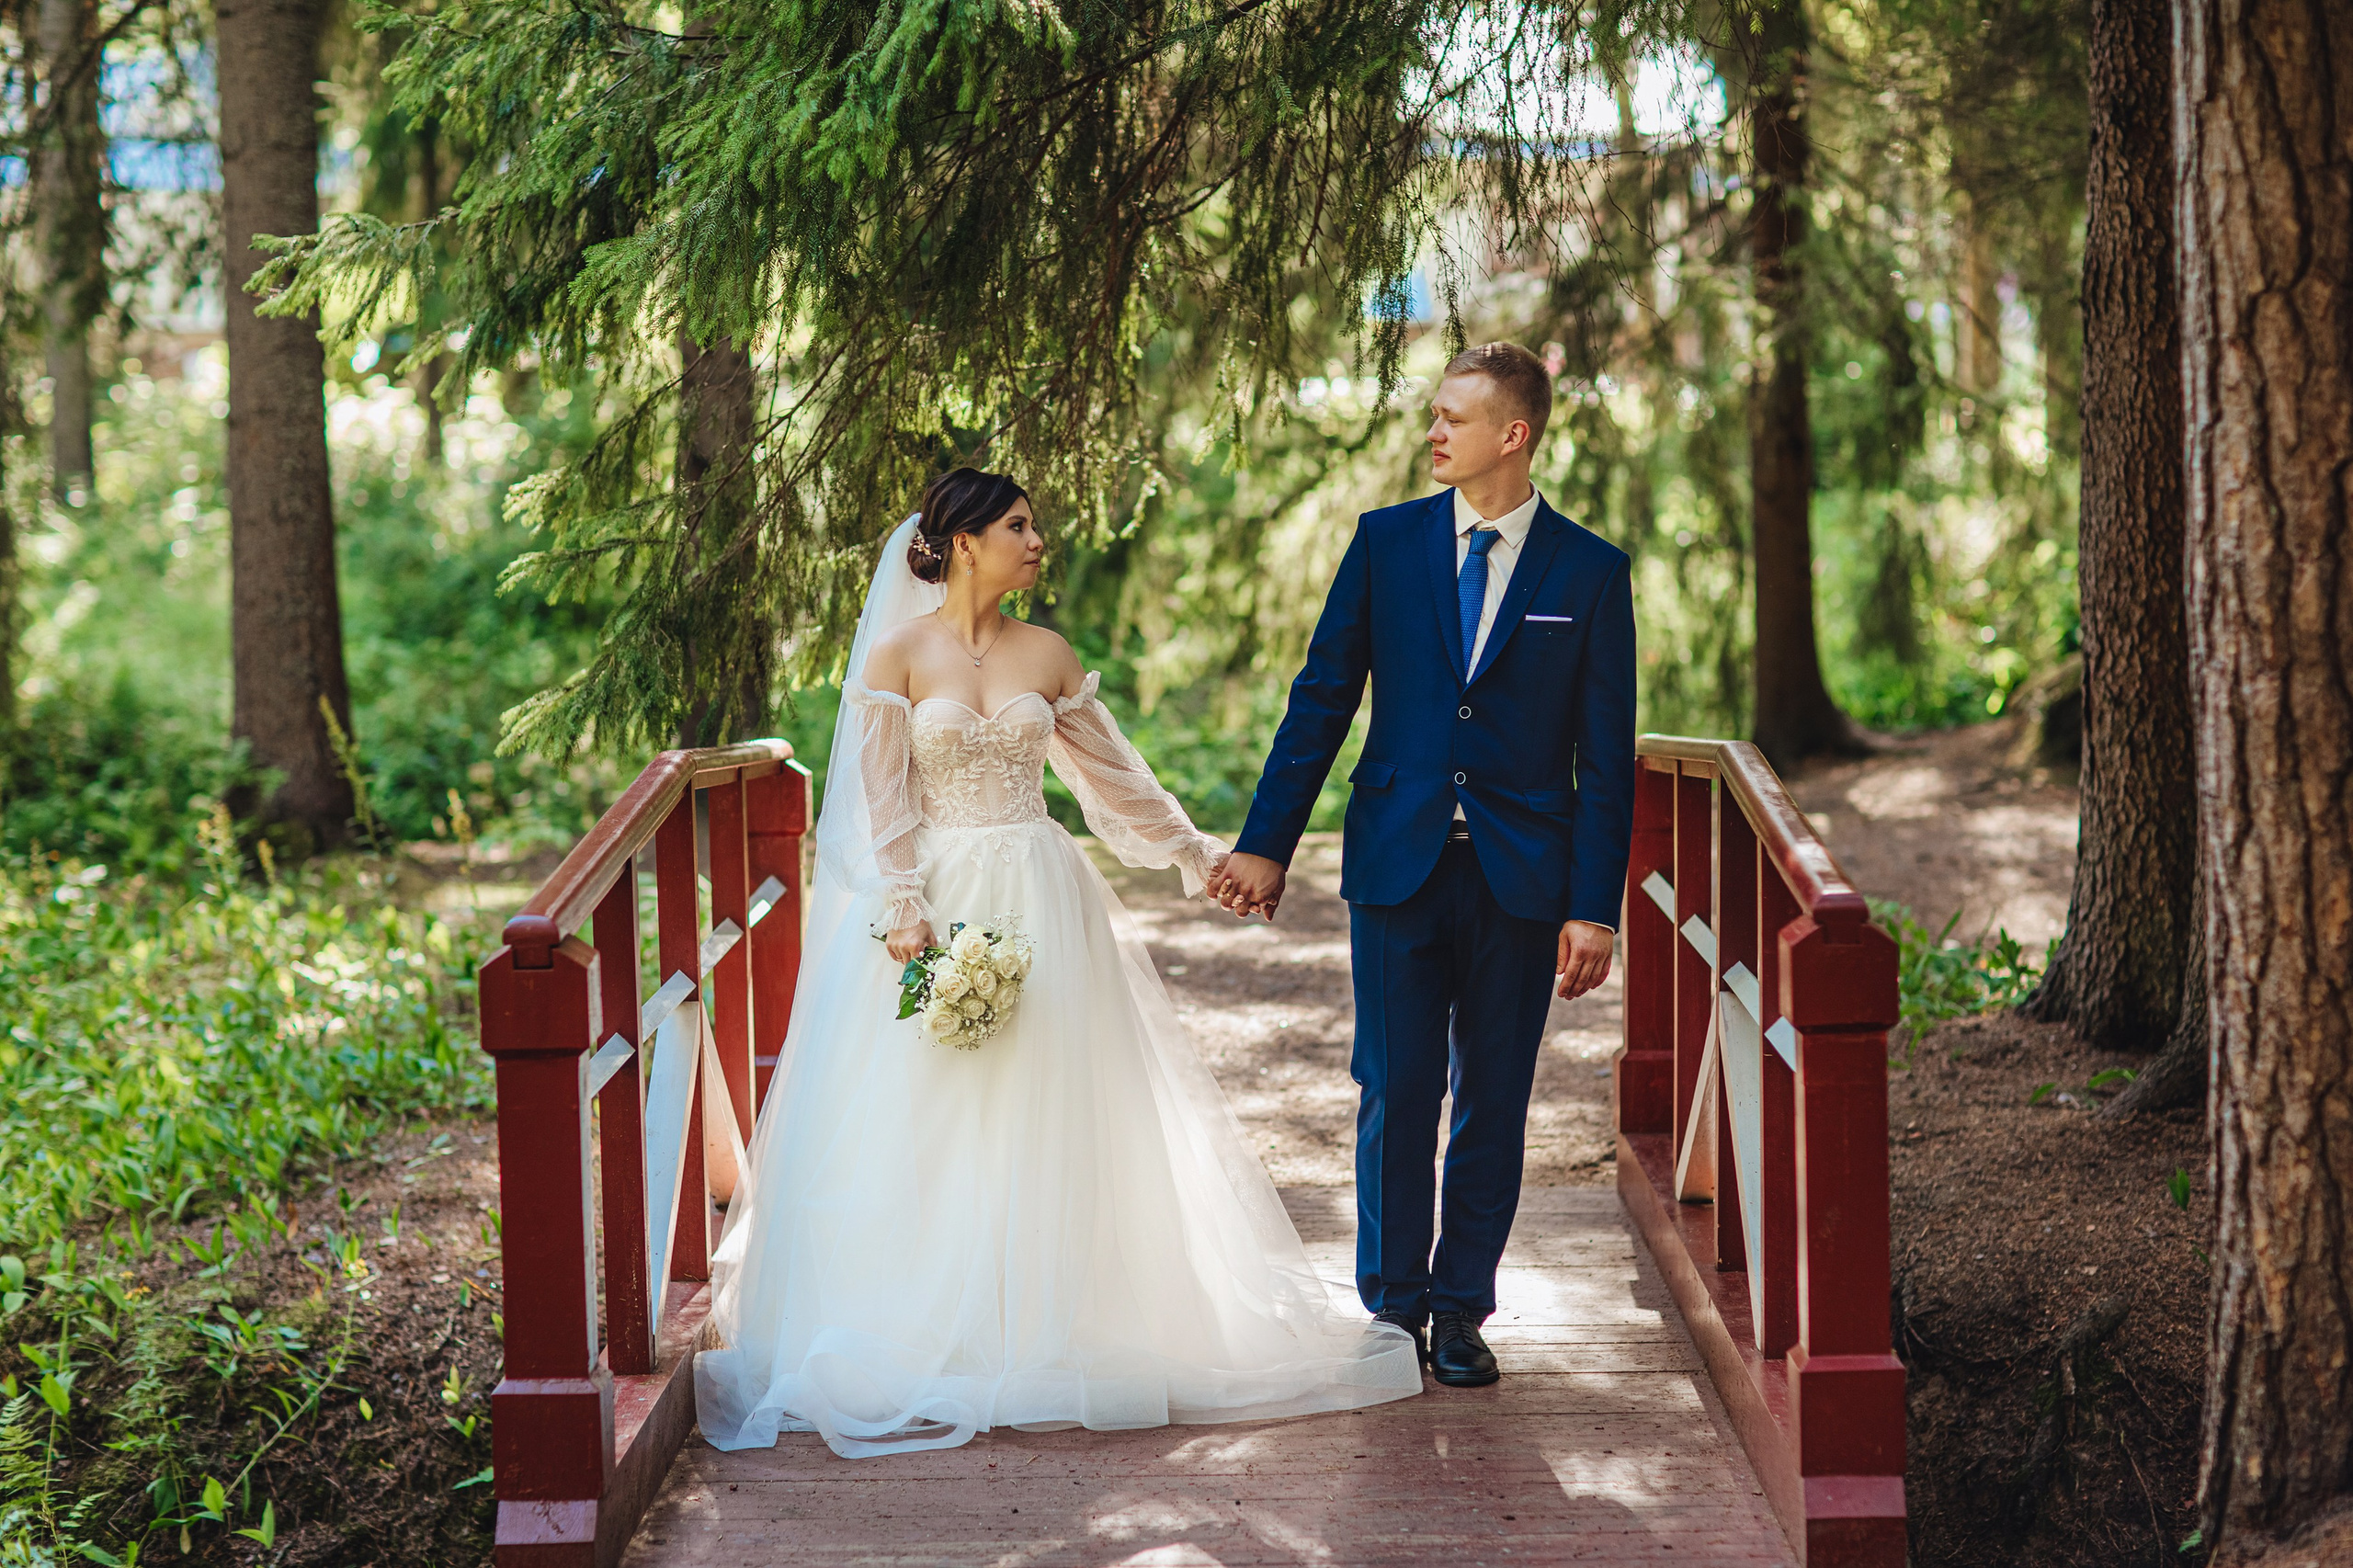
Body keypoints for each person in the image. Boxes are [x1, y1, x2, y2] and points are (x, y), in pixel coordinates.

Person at [695, 467, 1422, 1460]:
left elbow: (1110, 775)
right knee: (936, 1104)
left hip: (1040, 889)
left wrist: (1198, 852)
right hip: (939, 904)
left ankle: (1060, 1323)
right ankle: (932, 1318)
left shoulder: (1047, 651)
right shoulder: (897, 653)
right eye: (1018, 526)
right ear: (961, 542)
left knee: (1054, 1099)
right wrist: (904, 907)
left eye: (1035, 524)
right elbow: (878, 799)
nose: (1038, 541)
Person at [1212, 341, 1637, 1389]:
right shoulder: (1386, 543)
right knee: (1393, 1087)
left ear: (1514, 433)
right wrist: (1266, 841)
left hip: (1522, 877)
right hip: (1397, 863)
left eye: (1454, 416)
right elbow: (1322, 697)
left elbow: (1606, 751)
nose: (1433, 431)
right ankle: (1391, 1305)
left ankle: (1459, 1308)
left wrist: (1596, 904)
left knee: (1493, 1093)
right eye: (1433, 413)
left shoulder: (1590, 570)